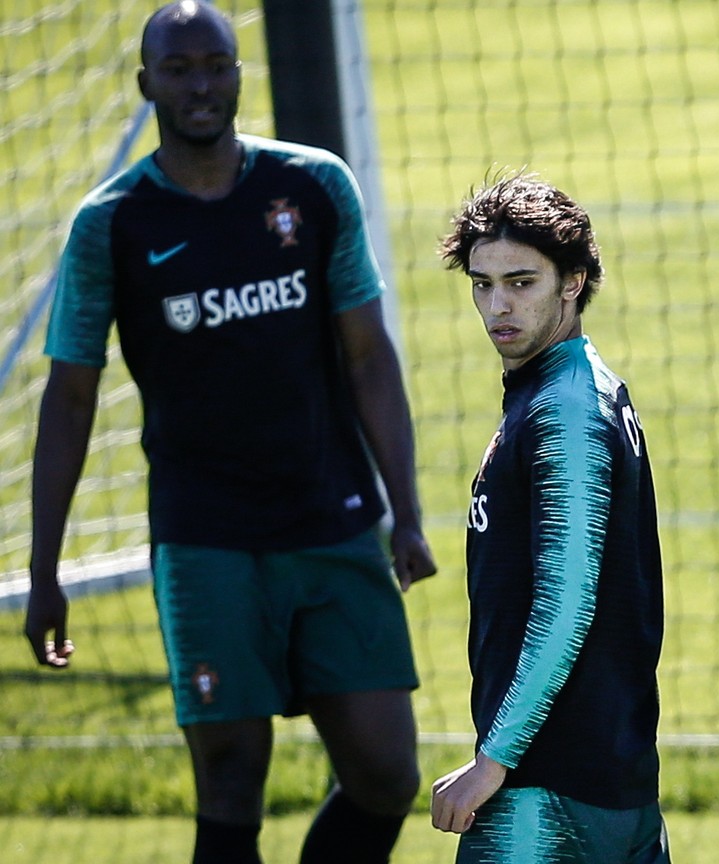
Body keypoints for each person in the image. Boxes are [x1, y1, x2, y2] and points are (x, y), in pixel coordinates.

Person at [24, 3, 436, 862]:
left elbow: (368, 357)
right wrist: (44, 569)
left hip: (333, 521)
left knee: (387, 772)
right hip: (207, 537)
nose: (201, 83)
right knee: (231, 775)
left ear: (240, 73)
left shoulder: (314, 187)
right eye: (178, 69)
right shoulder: (112, 225)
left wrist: (407, 511)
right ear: (147, 85)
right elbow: (68, 401)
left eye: (217, 63)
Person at [429, 172, 669, 863]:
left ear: (573, 281)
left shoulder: (563, 412)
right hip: (617, 791)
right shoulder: (575, 389)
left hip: (546, 798)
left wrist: (493, 762)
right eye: (482, 284)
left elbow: (566, 602)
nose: (497, 306)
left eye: (522, 283)